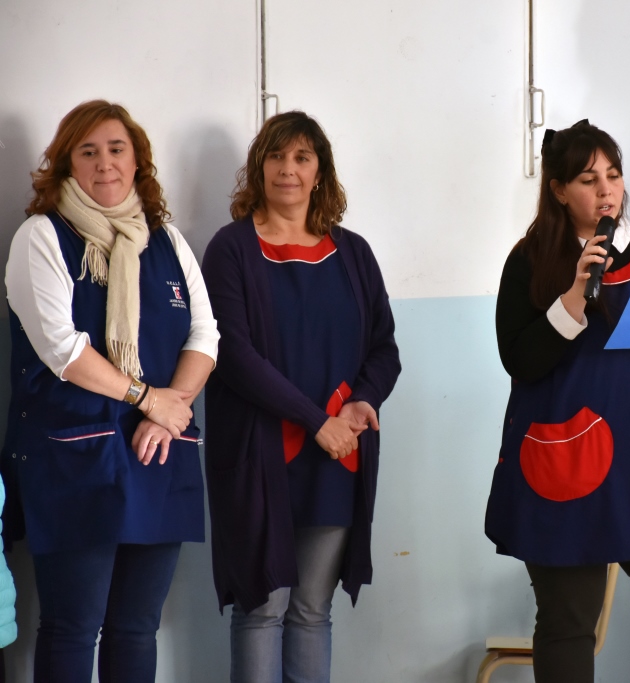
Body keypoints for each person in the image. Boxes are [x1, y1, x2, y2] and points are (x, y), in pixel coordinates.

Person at [484, 119, 630, 683]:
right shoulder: (529, 262)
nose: (606, 190)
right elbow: (519, 361)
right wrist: (573, 295)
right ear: (558, 190)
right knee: (569, 621)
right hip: (567, 459)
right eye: (589, 179)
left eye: (613, 176)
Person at [0, 100, 219, 681]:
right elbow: (61, 348)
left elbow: (206, 334)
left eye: (116, 149)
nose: (104, 163)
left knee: (136, 627)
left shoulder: (168, 241)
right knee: (74, 625)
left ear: (138, 159)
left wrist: (169, 411)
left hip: (158, 451)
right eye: (88, 151)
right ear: (67, 164)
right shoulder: (39, 237)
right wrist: (150, 399)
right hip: (75, 458)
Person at [202, 111, 401, 683]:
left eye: (302, 158)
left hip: (336, 454)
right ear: (258, 167)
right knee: (262, 607)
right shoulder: (231, 249)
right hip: (261, 456)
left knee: (312, 610)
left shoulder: (354, 253)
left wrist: (363, 401)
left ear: (320, 173)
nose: (288, 169)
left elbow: (384, 349)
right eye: (276, 157)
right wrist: (316, 420)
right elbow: (234, 356)